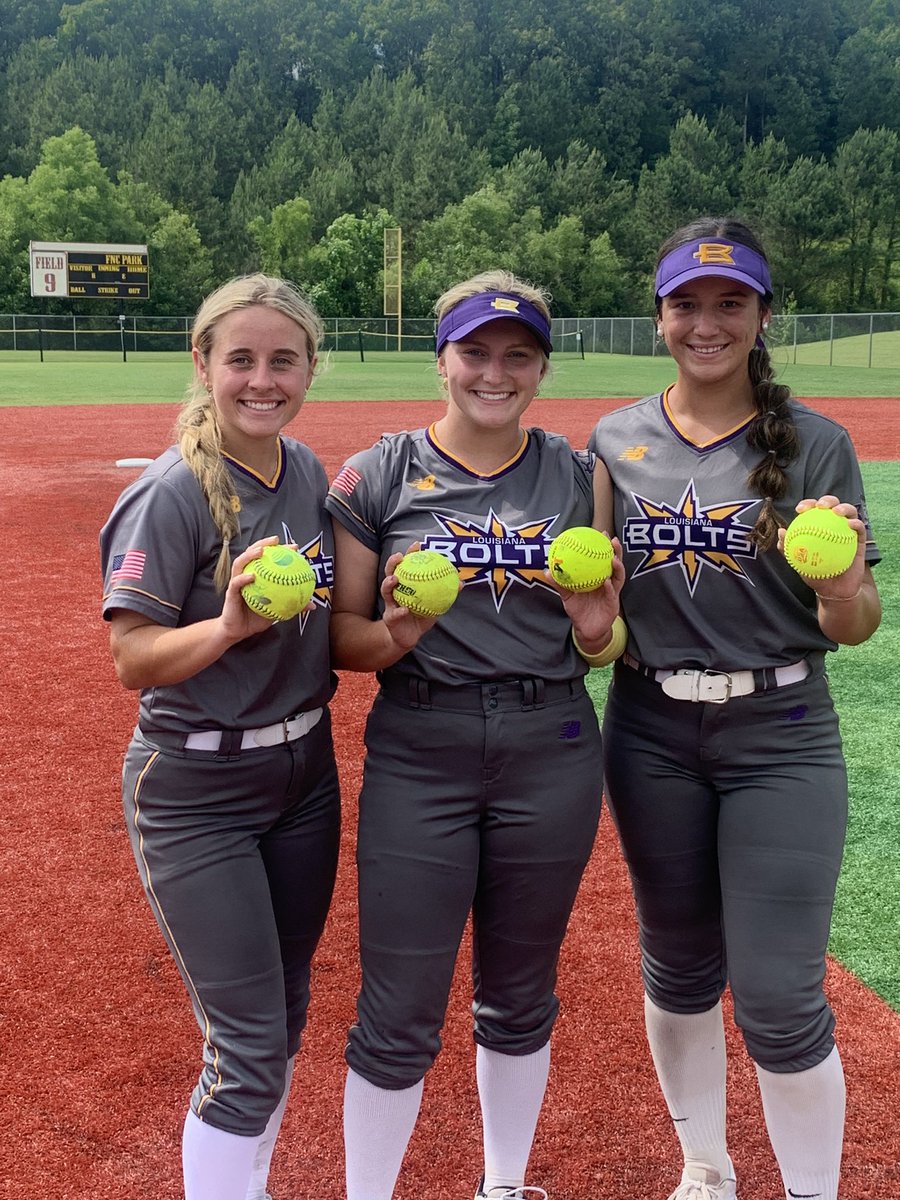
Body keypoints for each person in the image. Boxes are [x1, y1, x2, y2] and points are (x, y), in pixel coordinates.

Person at [588, 218, 882, 1200]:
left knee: (780, 996)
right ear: (659, 313)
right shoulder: (616, 440)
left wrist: (841, 586)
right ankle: (704, 1169)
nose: (706, 323)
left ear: (762, 316)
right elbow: (605, 628)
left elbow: (855, 624)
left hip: (782, 734)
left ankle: (810, 1192)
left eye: (730, 303)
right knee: (675, 967)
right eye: (686, 303)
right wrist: (593, 629)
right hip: (650, 728)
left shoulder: (819, 445)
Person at [325, 270, 624, 1200]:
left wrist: (591, 623)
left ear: (541, 368)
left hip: (553, 741)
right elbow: (346, 639)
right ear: (441, 359)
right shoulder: (377, 472)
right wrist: (400, 632)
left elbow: (606, 643)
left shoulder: (581, 476)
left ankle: (504, 1185)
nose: (495, 374)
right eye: (475, 353)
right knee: (399, 1008)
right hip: (424, 743)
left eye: (518, 356)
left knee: (521, 994)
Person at [99, 274, 340, 1200]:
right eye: (240, 358)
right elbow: (134, 658)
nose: (261, 379)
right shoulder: (171, 496)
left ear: (310, 368)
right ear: (203, 365)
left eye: (283, 359)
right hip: (195, 788)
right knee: (246, 1047)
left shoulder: (308, 471)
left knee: (284, 1014)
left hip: (304, 775)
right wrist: (230, 629)